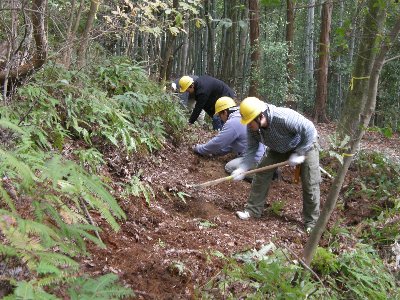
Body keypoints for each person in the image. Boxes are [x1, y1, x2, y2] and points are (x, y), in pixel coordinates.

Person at [232, 97, 321, 233]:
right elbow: (251, 150)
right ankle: (252, 211)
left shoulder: (283, 118)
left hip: (305, 144)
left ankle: (312, 223)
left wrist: (300, 152)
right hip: (278, 148)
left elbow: (310, 130)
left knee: (310, 182)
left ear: (260, 116)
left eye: (250, 122)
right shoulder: (253, 128)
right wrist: (243, 167)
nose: (248, 125)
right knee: (261, 173)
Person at [192, 97, 265, 180]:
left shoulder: (233, 122)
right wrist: (214, 153)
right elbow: (229, 146)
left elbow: (218, 143)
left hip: (255, 158)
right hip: (262, 155)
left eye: (220, 115)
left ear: (225, 112)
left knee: (229, 167)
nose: (220, 118)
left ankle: (260, 175)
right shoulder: (241, 115)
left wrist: (199, 149)